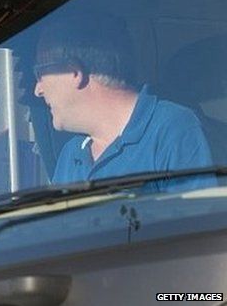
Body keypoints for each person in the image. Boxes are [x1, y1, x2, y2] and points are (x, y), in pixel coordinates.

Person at [33, 15, 215, 192]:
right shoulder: (70, 153)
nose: (37, 90)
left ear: (73, 72)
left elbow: (201, 219)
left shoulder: (173, 129)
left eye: (40, 74)